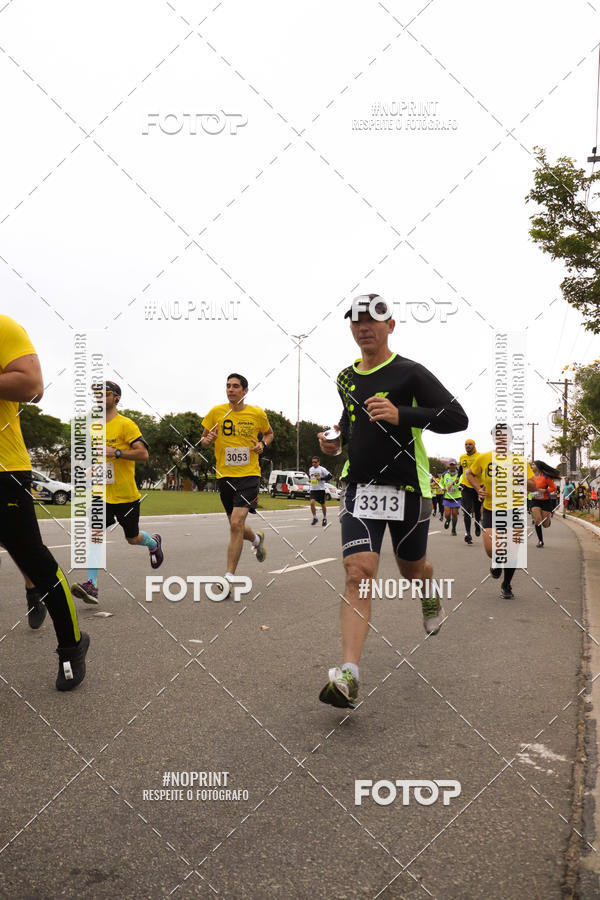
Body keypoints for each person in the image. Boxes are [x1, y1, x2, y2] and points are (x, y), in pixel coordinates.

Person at [317, 294, 468, 709]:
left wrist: (404, 414)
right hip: (359, 488)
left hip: (408, 490)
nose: (364, 326)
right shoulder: (346, 377)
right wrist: (335, 443)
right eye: (356, 320)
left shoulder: (410, 372)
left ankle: (427, 587)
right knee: (358, 571)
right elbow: (351, 422)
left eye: (373, 320)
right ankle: (349, 673)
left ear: (391, 325)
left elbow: (457, 418)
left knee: (412, 569)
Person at [0, 314, 88, 690]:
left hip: (4, 469)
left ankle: (71, 645)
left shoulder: (4, 326)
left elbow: (32, 383)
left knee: (34, 557)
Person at [71, 381, 163, 604]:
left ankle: (154, 544)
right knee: (94, 533)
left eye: (106, 393)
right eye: (97, 393)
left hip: (126, 496)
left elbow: (143, 455)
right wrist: (90, 471)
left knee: (132, 538)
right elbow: (102, 460)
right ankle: (92, 586)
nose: (100, 396)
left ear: (117, 398)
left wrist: (117, 451)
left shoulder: (126, 425)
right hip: (102, 494)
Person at [200, 373, 273, 598]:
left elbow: (269, 433)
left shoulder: (256, 413)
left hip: (249, 475)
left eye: (235, 386)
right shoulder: (216, 412)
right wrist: (207, 441)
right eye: (228, 386)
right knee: (236, 527)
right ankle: (257, 539)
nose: (230, 390)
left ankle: (229, 577)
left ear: (245, 391)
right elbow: (203, 439)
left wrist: (262, 444)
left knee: (236, 522)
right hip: (225, 477)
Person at [467, 425, 536, 600]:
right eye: (498, 436)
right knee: (492, 549)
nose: (501, 438)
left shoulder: (520, 461)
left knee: (513, 551)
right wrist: (478, 489)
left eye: (505, 436)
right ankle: (496, 563)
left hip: (515, 509)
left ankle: (506, 585)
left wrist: (520, 477)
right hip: (492, 509)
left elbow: (533, 486)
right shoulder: (484, 458)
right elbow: (470, 474)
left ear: (511, 438)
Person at [458, 438, 482, 544]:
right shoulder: (462, 457)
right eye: (466, 444)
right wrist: (458, 478)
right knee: (466, 511)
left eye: (470, 444)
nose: (467, 446)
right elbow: (460, 469)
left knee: (477, 509)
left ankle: (477, 524)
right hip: (466, 486)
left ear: (474, 445)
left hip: (477, 486)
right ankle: (468, 534)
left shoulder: (479, 456)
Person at [530, 461, 557, 548]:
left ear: (538, 467)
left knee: (545, 524)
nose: (531, 465)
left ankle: (548, 522)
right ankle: (540, 541)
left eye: (533, 464)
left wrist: (545, 490)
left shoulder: (545, 477)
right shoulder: (529, 477)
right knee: (537, 520)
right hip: (535, 501)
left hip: (545, 501)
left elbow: (554, 487)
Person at [440, 459, 462, 536]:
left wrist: (452, 484)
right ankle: (448, 520)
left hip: (456, 497)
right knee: (447, 514)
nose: (452, 466)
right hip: (447, 497)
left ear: (456, 466)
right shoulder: (444, 474)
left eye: (453, 465)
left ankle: (453, 529)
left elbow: (459, 484)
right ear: (448, 466)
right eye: (451, 465)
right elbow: (441, 484)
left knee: (455, 514)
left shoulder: (459, 475)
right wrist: (443, 488)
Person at [308, 456, 331, 526]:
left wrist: (321, 478)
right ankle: (315, 518)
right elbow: (312, 477)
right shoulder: (310, 469)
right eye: (313, 462)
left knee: (322, 505)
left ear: (318, 462)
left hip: (320, 489)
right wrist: (310, 480)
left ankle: (324, 518)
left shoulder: (322, 469)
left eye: (315, 462)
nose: (314, 463)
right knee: (312, 503)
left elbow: (330, 476)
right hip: (313, 489)